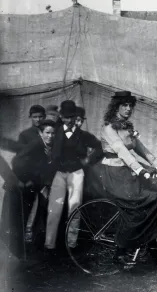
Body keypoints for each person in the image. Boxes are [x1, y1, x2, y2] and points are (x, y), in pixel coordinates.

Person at [98, 91, 157, 266]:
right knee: (137, 206)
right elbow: (122, 151)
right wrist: (140, 169)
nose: (128, 109)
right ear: (116, 106)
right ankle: (120, 251)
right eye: (124, 105)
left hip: (128, 171)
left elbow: (141, 149)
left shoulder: (127, 127)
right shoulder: (109, 128)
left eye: (130, 105)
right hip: (114, 173)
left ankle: (152, 238)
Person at [44, 100, 103, 252]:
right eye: (65, 117)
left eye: (71, 117)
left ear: (75, 116)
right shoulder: (55, 132)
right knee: (54, 209)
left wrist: (88, 160)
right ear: (61, 117)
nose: (68, 120)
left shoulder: (82, 135)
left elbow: (99, 147)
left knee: (75, 207)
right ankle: (49, 244)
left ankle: (72, 243)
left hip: (76, 173)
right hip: (59, 173)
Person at [12, 120, 57, 247]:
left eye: (53, 133)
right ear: (40, 133)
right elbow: (17, 161)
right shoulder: (35, 145)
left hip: (41, 183)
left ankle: (34, 240)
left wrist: (49, 160)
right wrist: (25, 180)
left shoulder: (51, 146)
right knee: (28, 212)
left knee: (41, 209)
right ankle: (24, 242)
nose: (50, 136)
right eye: (47, 133)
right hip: (29, 183)